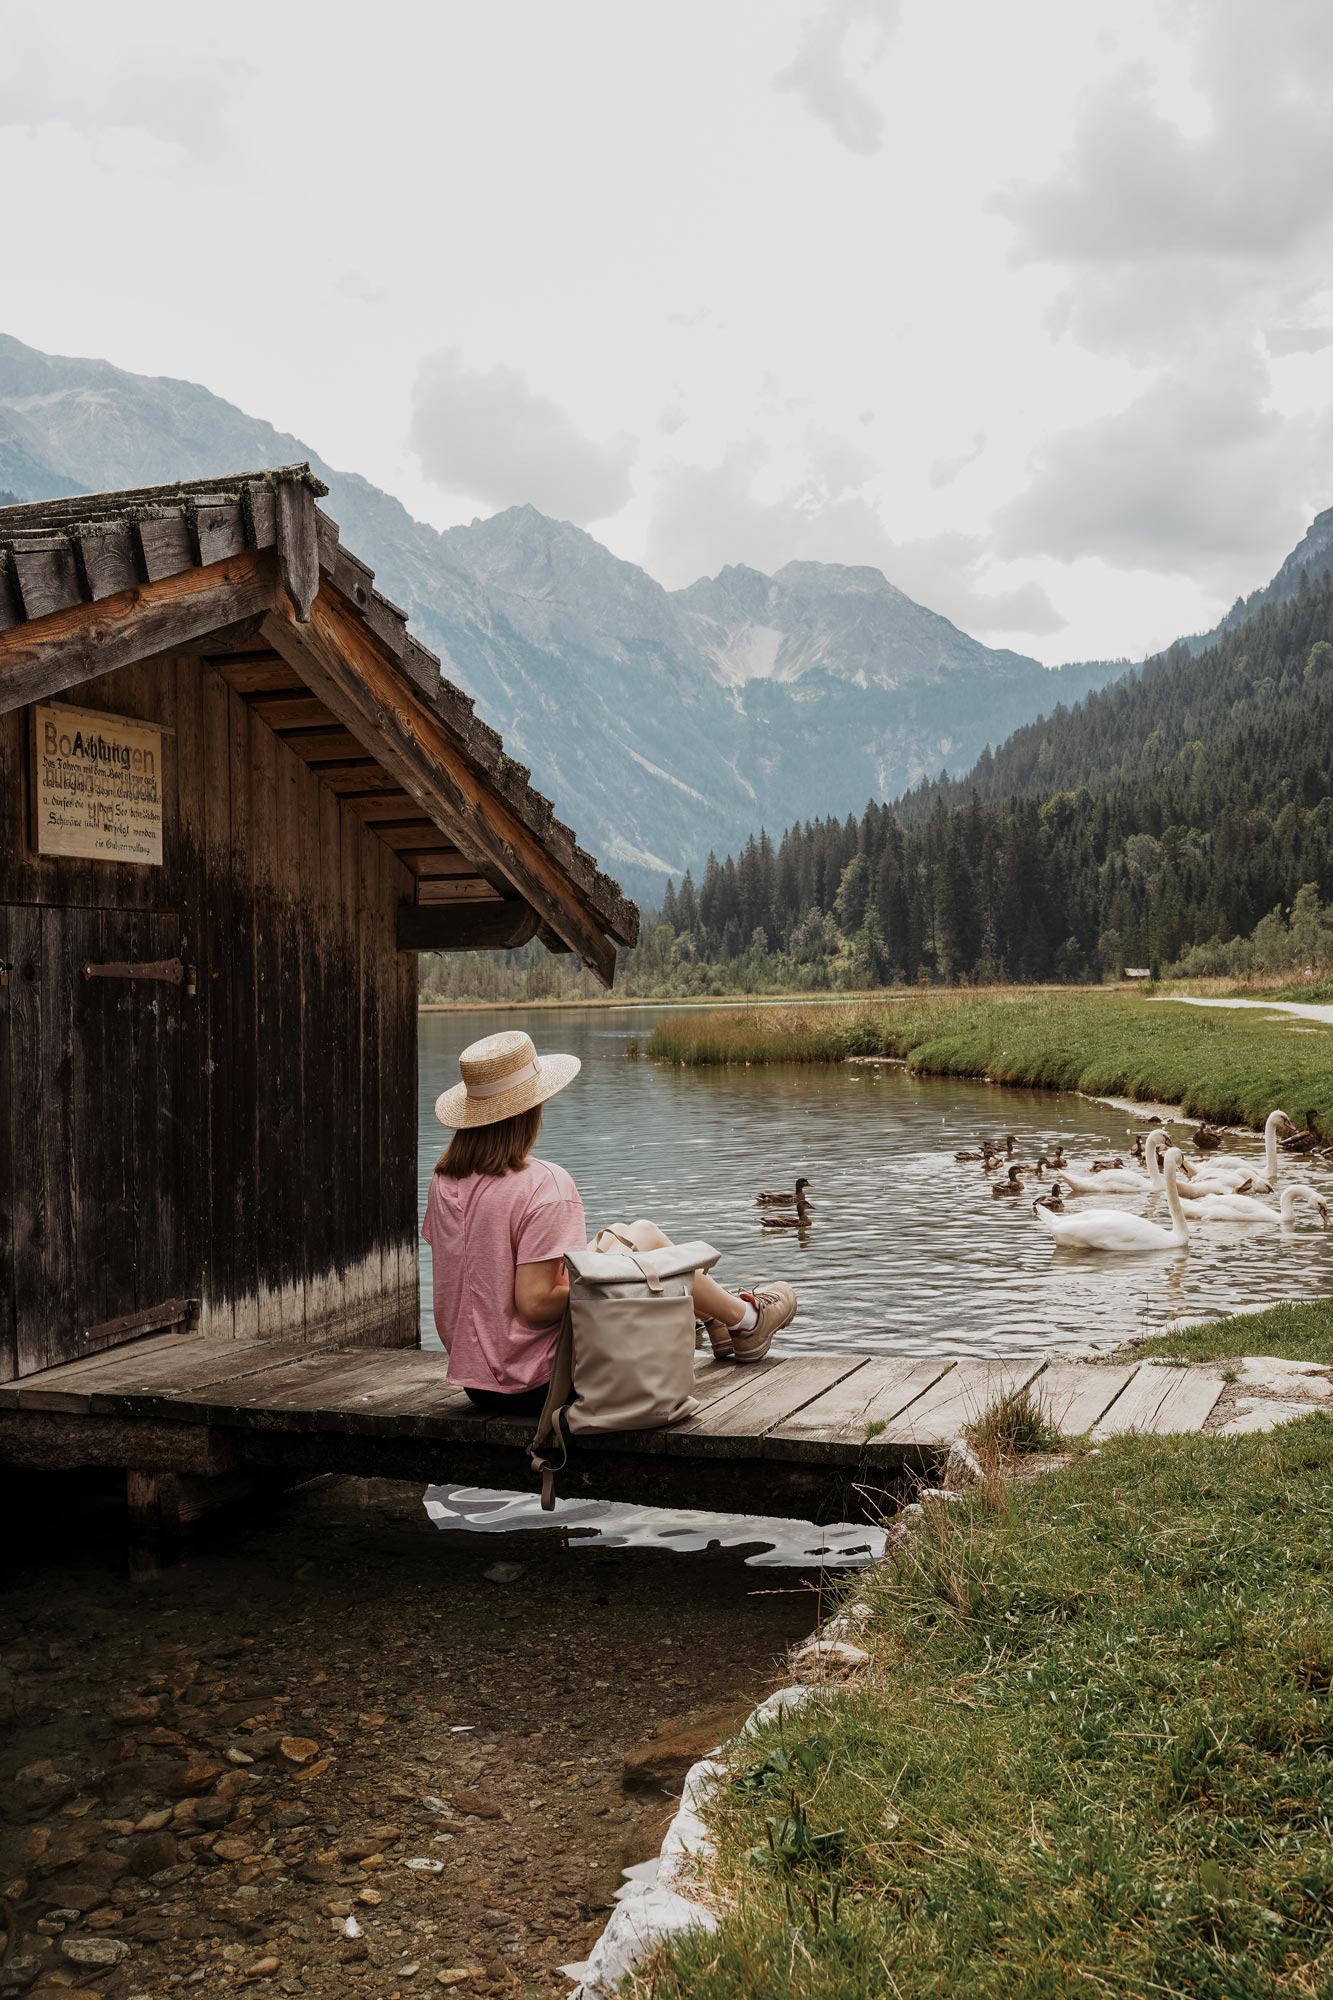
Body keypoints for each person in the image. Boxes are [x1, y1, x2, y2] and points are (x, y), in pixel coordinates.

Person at [423, 1029, 798, 1417]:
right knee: (643, 1252)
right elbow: (534, 1304)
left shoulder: (443, 1181)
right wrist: (612, 1276)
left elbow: (483, 1272)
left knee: (636, 1233)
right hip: (547, 1381)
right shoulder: (545, 1184)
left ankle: (725, 1321)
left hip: (479, 1384)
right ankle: (745, 1319)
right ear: (532, 1108)